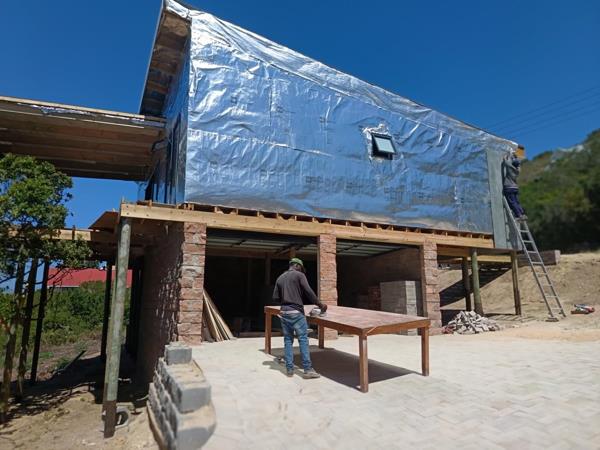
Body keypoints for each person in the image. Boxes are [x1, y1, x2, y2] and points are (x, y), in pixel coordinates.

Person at [272, 258, 327, 378]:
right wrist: (321, 305)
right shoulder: (299, 275)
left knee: (288, 340)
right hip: (296, 312)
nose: (301, 271)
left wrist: (286, 298)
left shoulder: (280, 278)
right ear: (297, 265)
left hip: (284, 313)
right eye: (301, 268)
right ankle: (308, 369)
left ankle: (289, 369)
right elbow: (309, 292)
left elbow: (275, 298)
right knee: (303, 339)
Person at [502, 152, 527, 221]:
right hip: (515, 188)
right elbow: (518, 164)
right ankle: (522, 213)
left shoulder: (510, 168)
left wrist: (506, 155)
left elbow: (505, 161)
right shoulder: (518, 170)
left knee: (512, 202)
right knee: (516, 202)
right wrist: (515, 157)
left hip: (509, 187)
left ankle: (519, 215)